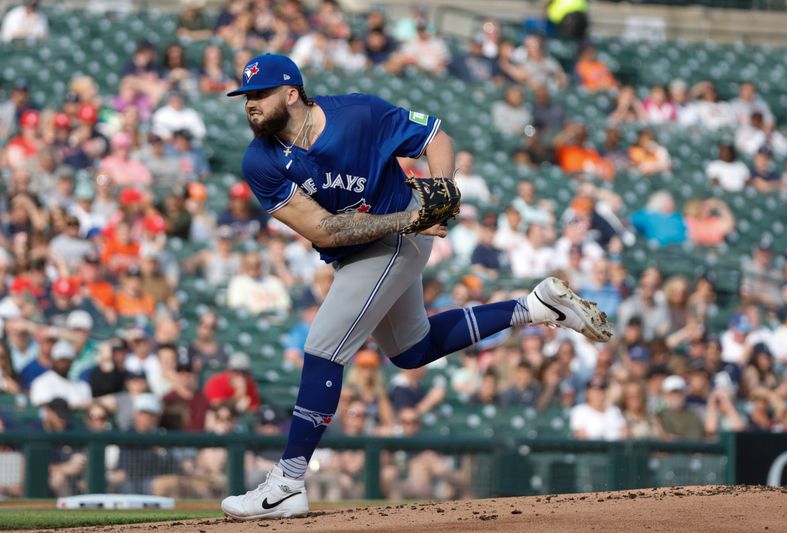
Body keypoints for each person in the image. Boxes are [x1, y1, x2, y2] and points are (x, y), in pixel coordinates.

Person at [219, 53, 612, 520]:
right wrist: (414, 217)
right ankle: (534, 307)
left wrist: (441, 190)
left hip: (396, 241)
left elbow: (435, 137)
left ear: (291, 93)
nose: (251, 105)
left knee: (324, 349)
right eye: (246, 97)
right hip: (380, 235)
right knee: (411, 350)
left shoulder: (358, 114)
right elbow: (323, 230)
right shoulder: (259, 159)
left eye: (259, 94)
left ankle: (287, 481)